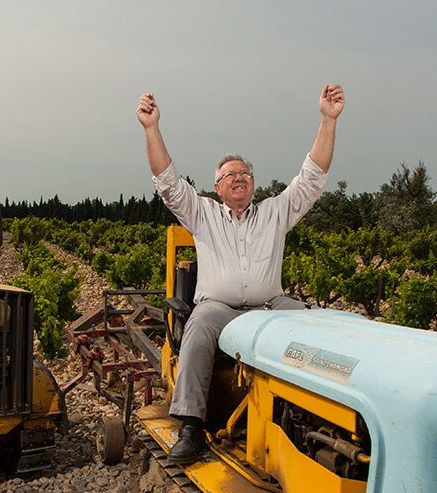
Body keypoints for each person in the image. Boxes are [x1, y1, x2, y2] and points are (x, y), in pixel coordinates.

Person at [136, 85, 345, 463]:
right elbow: (167, 181)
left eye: (246, 174)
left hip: (271, 306)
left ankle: (326, 421)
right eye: (231, 175)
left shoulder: (275, 211)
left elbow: (312, 177)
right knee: (199, 327)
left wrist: (327, 120)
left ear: (253, 183)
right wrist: (152, 128)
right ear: (217, 187)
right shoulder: (201, 214)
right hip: (220, 308)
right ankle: (191, 427)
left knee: (319, 327)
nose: (239, 178)